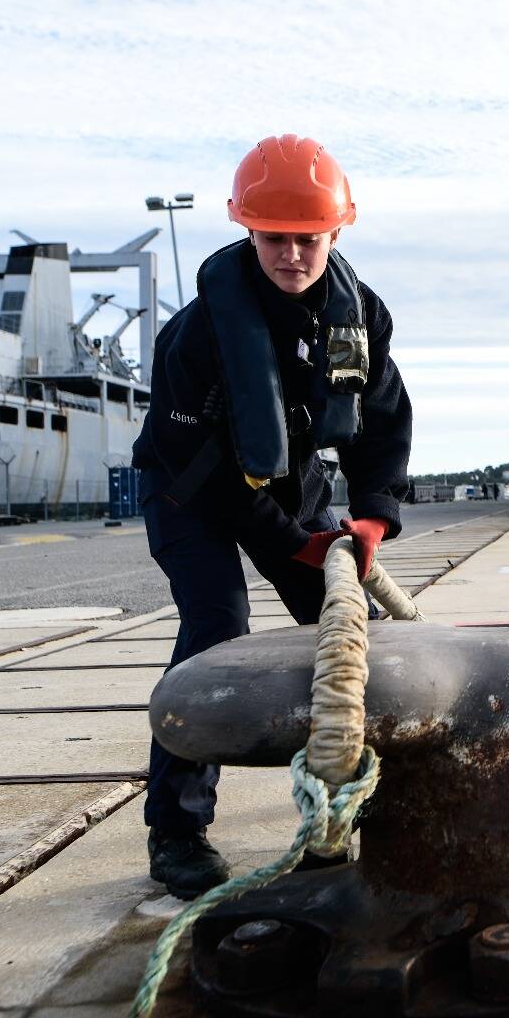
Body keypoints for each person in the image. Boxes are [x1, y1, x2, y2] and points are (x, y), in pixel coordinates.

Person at [131, 134, 412, 898]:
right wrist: (295, 541)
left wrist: (373, 516)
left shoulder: (361, 316)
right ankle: (177, 827)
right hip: (190, 489)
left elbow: (384, 421)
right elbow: (217, 478)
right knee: (216, 631)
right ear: (244, 229)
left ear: (337, 231)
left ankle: (357, 806)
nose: (291, 253)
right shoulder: (194, 338)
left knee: (345, 631)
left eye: (308, 238)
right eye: (274, 237)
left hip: (290, 483)